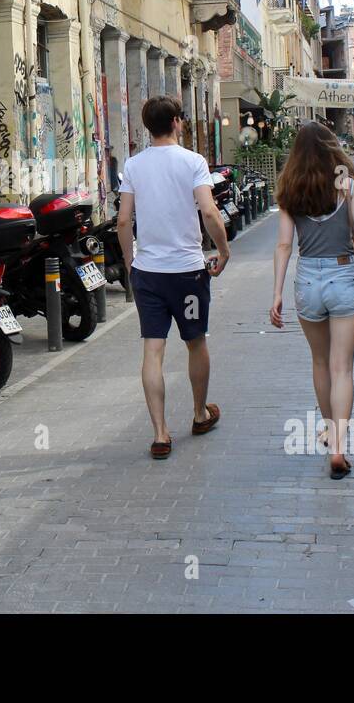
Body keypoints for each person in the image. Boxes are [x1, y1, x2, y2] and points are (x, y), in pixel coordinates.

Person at [117, 95, 230, 461]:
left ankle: (161, 434)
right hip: (187, 273)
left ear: (148, 127)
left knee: (153, 349)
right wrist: (223, 250)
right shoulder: (193, 162)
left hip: (148, 273)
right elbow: (210, 212)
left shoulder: (133, 166)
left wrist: (130, 261)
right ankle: (199, 415)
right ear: (178, 122)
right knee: (196, 341)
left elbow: (123, 221)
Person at [270, 122, 354, 480]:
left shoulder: (289, 189)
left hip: (307, 281)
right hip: (344, 275)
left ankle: (329, 429)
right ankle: (340, 448)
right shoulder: (349, 186)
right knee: (342, 367)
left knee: (319, 362)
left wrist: (277, 293)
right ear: (332, 149)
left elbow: (284, 244)